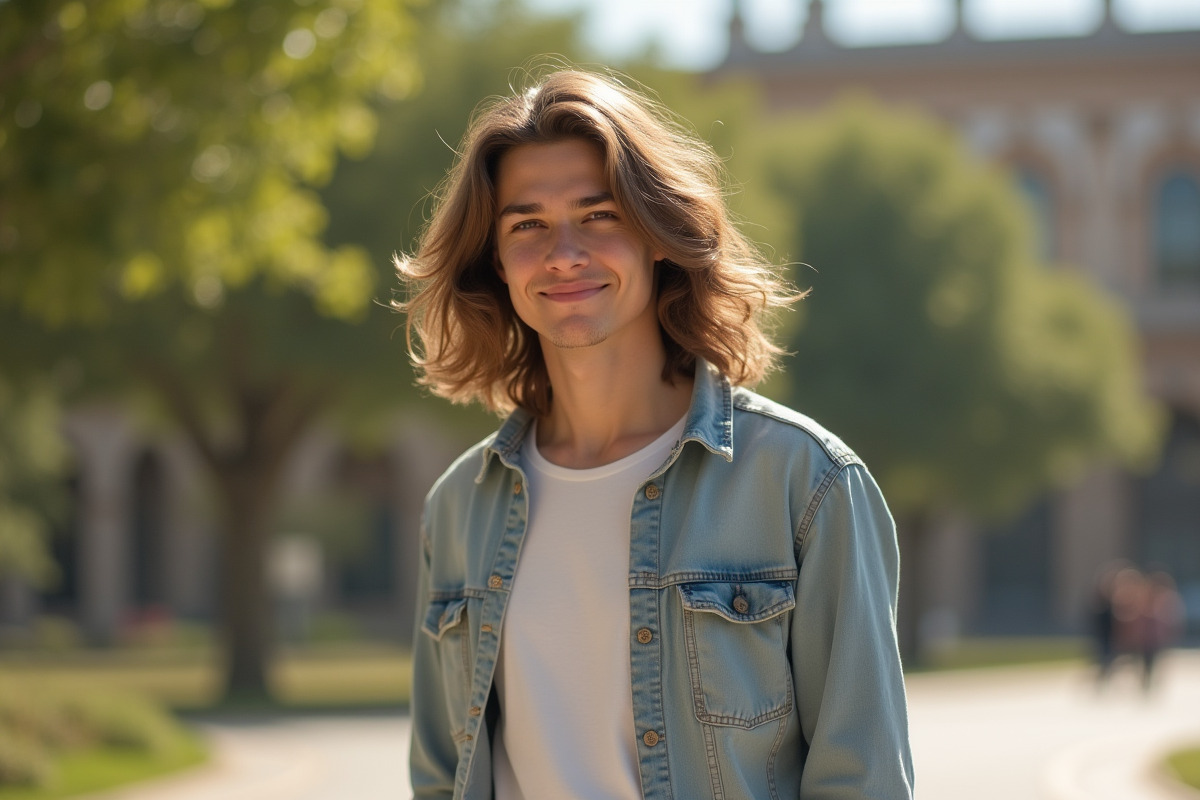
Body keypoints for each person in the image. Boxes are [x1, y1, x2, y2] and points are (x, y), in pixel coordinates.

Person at [398, 67, 914, 800]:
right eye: (527, 225)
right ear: (496, 262)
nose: (564, 252)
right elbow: (439, 778)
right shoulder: (457, 508)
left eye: (598, 215)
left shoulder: (806, 482)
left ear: (659, 235)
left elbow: (861, 779)